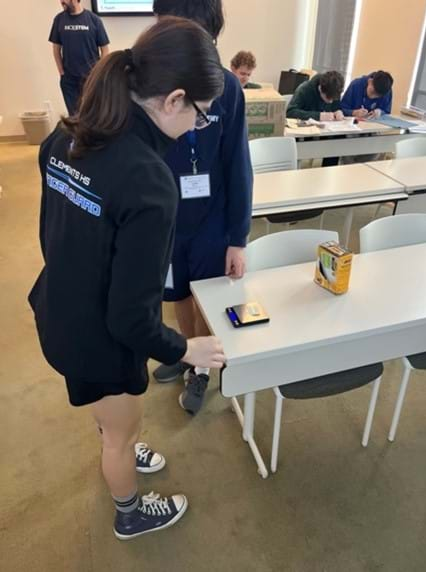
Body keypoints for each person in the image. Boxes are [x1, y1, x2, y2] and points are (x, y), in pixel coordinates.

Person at [29, 17, 226, 541]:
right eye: (202, 116)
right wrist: (186, 349)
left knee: (110, 417)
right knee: (121, 436)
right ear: (174, 99)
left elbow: (54, 235)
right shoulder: (148, 181)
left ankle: (115, 427)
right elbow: (131, 319)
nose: (198, 127)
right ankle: (130, 512)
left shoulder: (66, 135)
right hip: (98, 336)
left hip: (58, 309)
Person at [151, 0, 253, 415]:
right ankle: (184, 353)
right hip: (165, 219)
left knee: (208, 295)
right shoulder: (149, 82)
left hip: (212, 216)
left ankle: (204, 372)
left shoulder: (227, 86)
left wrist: (238, 238)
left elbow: (237, 164)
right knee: (177, 291)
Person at [49, 0, 110, 115]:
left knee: (93, 115)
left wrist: (98, 73)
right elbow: (56, 49)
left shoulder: (94, 20)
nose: (61, 1)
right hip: (69, 80)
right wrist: (62, 72)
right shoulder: (59, 20)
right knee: (74, 117)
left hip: (90, 79)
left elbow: (105, 49)